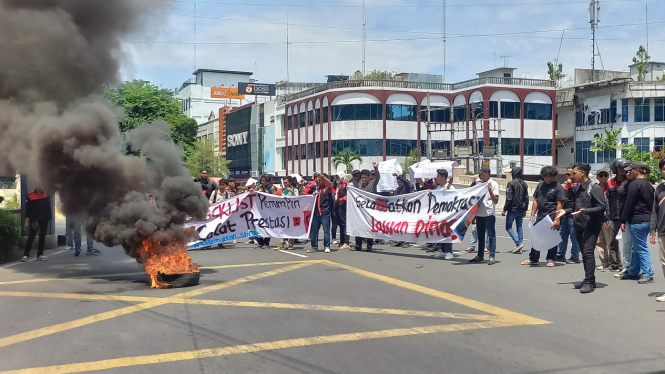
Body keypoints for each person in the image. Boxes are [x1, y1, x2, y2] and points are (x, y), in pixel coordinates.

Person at [567, 162, 607, 294]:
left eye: (574, 173)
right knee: (584, 253)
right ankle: (589, 279)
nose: (572, 176)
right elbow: (574, 207)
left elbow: (601, 206)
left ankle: (589, 282)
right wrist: (564, 212)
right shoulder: (578, 188)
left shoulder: (594, 188)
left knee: (588, 252)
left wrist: (586, 210)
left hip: (591, 224)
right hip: (579, 224)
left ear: (582, 173)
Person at [521, 166, 565, 267]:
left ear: (554, 176)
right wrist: (532, 214)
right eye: (546, 176)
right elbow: (535, 200)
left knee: (552, 239)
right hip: (541, 216)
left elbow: (560, 203)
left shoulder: (558, 187)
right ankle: (533, 258)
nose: (548, 178)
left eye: (551, 176)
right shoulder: (540, 185)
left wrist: (557, 219)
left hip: (552, 216)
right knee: (536, 237)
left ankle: (551, 258)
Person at [620, 161, 655, 284]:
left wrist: (623, 219)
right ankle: (634, 271)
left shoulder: (634, 184)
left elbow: (628, 203)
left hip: (636, 220)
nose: (629, 173)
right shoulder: (649, 185)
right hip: (647, 219)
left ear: (636, 170)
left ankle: (648, 273)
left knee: (640, 248)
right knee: (638, 246)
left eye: (630, 171)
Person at [607, 158, 632, 277]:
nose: (622, 170)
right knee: (613, 242)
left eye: (624, 167)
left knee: (628, 243)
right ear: (615, 169)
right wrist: (606, 216)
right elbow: (607, 200)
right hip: (613, 216)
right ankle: (615, 263)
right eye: (620, 167)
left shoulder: (629, 182)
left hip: (626, 217)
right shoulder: (610, 183)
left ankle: (630, 265)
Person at [469, 166, 500, 265]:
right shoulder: (479, 184)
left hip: (489, 213)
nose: (479, 175)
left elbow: (496, 200)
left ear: (486, 173)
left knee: (491, 235)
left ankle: (492, 256)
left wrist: (490, 191)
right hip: (479, 213)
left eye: (481, 173)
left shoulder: (494, 184)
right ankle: (480, 255)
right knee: (480, 235)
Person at [556, 167, 581, 263]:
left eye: (569, 174)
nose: (567, 176)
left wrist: (571, 185)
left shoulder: (578, 186)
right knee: (562, 235)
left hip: (573, 215)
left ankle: (575, 256)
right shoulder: (565, 186)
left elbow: (577, 199)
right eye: (566, 174)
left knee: (574, 237)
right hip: (564, 214)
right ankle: (561, 254)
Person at [502, 166, 529, 254]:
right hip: (521, 209)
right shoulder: (524, 184)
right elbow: (526, 198)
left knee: (508, 227)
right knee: (519, 227)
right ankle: (519, 246)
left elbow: (509, 198)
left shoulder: (511, 183)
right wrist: (525, 208)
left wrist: (505, 209)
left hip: (512, 209)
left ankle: (518, 243)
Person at [306, 173, 335, 253]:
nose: (318, 180)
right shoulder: (314, 188)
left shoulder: (327, 188)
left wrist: (322, 176)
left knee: (326, 230)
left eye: (320, 179)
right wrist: (311, 194)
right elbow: (305, 195)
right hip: (315, 213)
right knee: (314, 231)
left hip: (325, 212)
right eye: (317, 178)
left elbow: (329, 183)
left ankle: (326, 246)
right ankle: (314, 246)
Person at [649, 159, 665, 302]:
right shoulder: (659, 188)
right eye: (664, 169)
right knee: (664, 262)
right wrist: (652, 230)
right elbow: (654, 210)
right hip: (663, 231)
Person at [22, 188, 52, 262]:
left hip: (44, 220)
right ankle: (26, 255)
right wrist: (26, 221)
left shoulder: (46, 196)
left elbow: (48, 209)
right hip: (34, 220)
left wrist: (48, 218)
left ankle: (40, 255)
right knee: (31, 237)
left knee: (42, 237)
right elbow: (27, 209)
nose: (40, 188)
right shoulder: (30, 196)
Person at [594, 169, 616, 271]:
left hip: (608, 218)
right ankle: (604, 262)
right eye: (601, 175)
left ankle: (614, 263)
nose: (603, 177)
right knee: (599, 242)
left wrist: (608, 217)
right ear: (597, 177)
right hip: (597, 218)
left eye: (605, 175)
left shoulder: (610, 188)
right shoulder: (595, 189)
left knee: (610, 242)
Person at [433, 169, 456, 260]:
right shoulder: (438, 188)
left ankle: (449, 252)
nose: (436, 178)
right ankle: (443, 251)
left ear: (443, 178)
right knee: (441, 233)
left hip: (448, 215)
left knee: (448, 233)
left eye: (438, 177)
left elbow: (456, 199)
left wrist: (448, 193)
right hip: (440, 215)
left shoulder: (450, 188)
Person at [355, 169, 378, 251]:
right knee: (359, 226)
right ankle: (358, 244)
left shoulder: (372, 184)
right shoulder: (359, 184)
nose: (363, 179)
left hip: (369, 210)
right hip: (360, 209)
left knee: (369, 227)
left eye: (365, 177)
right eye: (362, 177)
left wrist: (376, 168)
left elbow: (378, 177)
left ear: (369, 177)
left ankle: (369, 244)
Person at [277, 176, 298, 251]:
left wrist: (291, 191)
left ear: (290, 182)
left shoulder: (295, 189)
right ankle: (281, 243)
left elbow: (297, 199)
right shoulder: (283, 190)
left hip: (292, 212)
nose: (285, 184)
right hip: (284, 212)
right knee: (283, 227)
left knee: (291, 228)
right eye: (284, 183)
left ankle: (291, 243)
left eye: (286, 182)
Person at [255, 174, 276, 249]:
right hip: (260, 210)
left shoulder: (272, 188)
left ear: (268, 181)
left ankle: (267, 242)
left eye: (264, 181)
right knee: (258, 225)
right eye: (262, 180)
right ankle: (260, 241)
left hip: (269, 210)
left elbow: (274, 198)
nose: (263, 182)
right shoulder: (259, 187)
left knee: (267, 226)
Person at [336, 177, 351, 249]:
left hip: (344, 205)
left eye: (338, 176)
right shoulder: (339, 184)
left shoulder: (346, 184)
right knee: (340, 223)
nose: (337, 178)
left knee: (344, 223)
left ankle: (346, 242)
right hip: (339, 204)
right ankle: (342, 241)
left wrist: (344, 198)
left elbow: (350, 193)